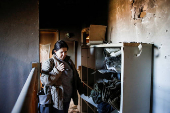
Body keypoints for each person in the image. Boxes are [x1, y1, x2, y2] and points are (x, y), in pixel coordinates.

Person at [40, 40, 86, 113]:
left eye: (65, 52)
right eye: (61, 52)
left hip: (68, 97)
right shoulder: (49, 63)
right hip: (56, 99)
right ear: (55, 51)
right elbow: (45, 81)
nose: (64, 54)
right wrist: (56, 71)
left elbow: (76, 77)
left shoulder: (69, 61)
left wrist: (81, 90)